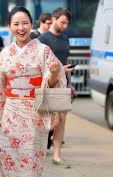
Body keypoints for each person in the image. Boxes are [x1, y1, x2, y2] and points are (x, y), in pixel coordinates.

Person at [0, 6, 67, 177]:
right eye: (16, 24)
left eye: (25, 23)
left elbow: (54, 83)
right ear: (9, 26)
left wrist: (54, 73)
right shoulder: (5, 53)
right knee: (4, 152)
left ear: (32, 24)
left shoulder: (43, 51)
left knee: (31, 157)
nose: (21, 28)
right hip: (11, 111)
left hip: (34, 112)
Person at [38, 7, 77, 168]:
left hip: (63, 86)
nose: (65, 26)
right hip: (47, 85)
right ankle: (38, 150)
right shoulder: (42, 39)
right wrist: (59, 70)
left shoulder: (66, 39)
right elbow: (39, 66)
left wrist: (70, 83)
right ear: (53, 19)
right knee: (45, 121)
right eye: (62, 22)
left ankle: (57, 155)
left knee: (61, 120)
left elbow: (66, 61)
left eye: (67, 23)